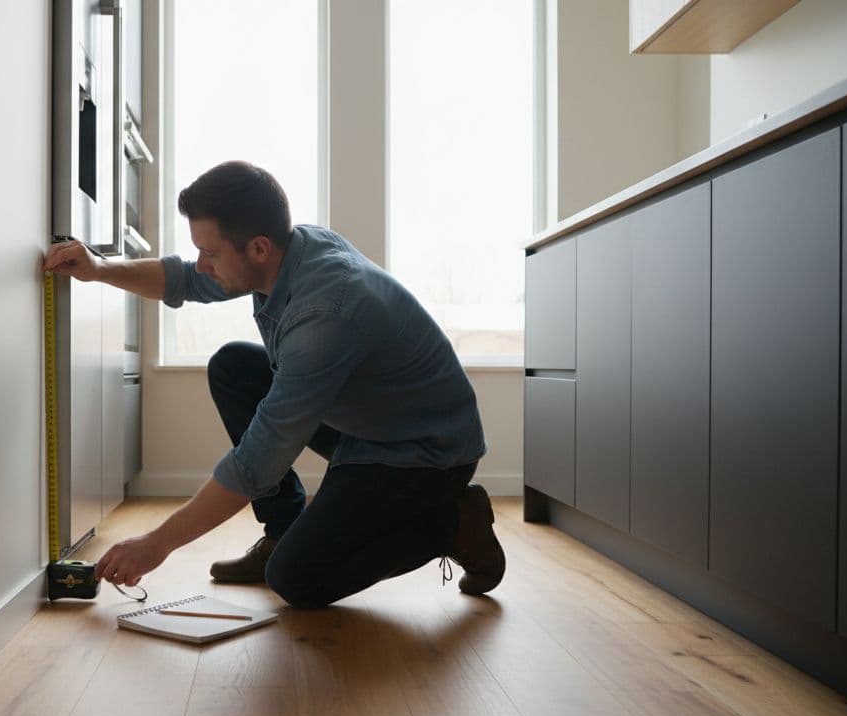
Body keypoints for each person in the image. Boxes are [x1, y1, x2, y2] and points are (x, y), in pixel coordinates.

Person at [43, 160, 504, 608]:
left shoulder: (325, 309)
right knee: (234, 367)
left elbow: (258, 460)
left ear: (258, 247)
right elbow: (184, 278)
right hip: (371, 421)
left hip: (423, 454)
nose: (202, 264)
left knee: (295, 578)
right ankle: (283, 528)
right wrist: (98, 270)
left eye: (210, 253)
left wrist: (156, 544)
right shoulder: (285, 252)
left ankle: (453, 520)